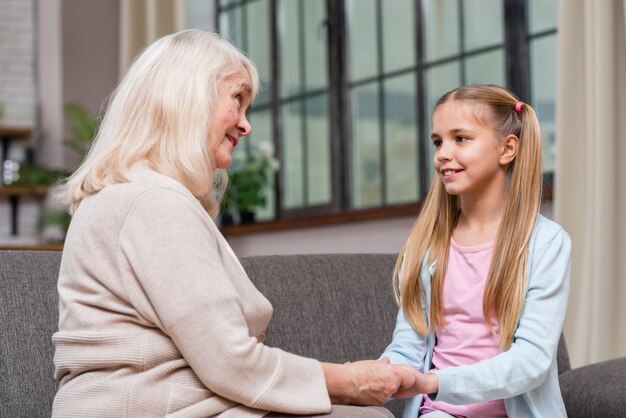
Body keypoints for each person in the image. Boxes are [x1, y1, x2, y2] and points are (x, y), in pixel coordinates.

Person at [51, 29, 416, 418]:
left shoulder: (130, 193)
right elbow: (230, 363)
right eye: (237, 99)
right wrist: (348, 383)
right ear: (187, 98)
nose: (245, 125)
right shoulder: (151, 200)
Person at [380, 84, 571, 417]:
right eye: (438, 141)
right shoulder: (426, 244)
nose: (442, 153)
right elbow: (407, 347)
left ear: (507, 149)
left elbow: (532, 362)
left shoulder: (547, 243)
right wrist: (383, 372)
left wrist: (435, 381)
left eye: (461, 139)